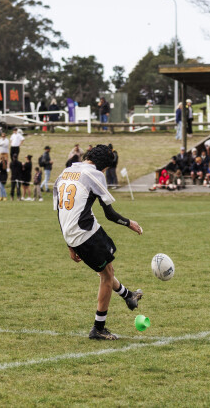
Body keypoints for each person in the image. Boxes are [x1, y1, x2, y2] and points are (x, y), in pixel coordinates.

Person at [55, 144, 144, 340]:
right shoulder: (95, 174)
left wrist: (69, 244)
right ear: (103, 166)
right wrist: (129, 223)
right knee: (106, 275)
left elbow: (60, 211)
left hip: (72, 232)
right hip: (84, 232)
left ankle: (128, 296)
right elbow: (109, 214)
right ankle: (98, 328)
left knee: (106, 270)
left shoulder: (66, 172)